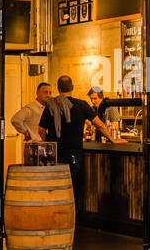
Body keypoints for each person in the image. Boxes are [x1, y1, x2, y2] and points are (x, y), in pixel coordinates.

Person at [38, 76, 122, 209]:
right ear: (72, 87)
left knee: (54, 188)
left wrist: (49, 144)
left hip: (55, 154)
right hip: (73, 155)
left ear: (58, 88)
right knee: (72, 188)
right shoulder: (81, 105)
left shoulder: (51, 105)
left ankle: (55, 217)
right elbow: (100, 125)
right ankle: (70, 219)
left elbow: (41, 130)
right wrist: (113, 139)